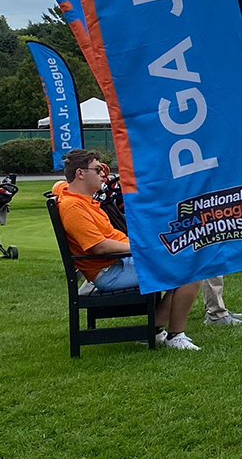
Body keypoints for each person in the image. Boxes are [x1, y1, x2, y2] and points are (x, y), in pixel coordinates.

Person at [51, 149, 203, 349]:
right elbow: (100, 247)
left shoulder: (74, 196)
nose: (103, 174)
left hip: (119, 262)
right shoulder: (74, 207)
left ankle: (154, 330)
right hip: (110, 270)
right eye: (97, 170)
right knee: (190, 272)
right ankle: (174, 335)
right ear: (80, 173)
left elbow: (59, 186)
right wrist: (142, 248)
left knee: (184, 261)